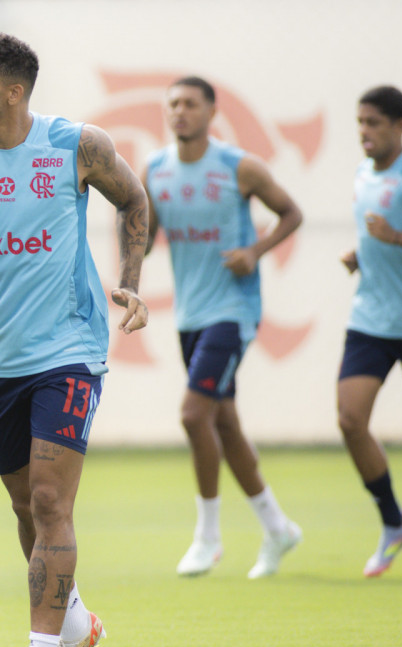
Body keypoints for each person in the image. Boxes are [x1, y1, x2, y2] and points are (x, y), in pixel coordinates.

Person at [0, 33, 148, 647]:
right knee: (28, 510)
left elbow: (134, 202)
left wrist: (129, 282)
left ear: (14, 92)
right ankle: (77, 623)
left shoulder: (74, 145)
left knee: (52, 504)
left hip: (68, 352)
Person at [142, 77, 304, 579]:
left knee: (194, 416)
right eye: (173, 104)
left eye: (190, 103)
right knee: (225, 424)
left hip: (232, 312)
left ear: (212, 111)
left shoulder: (240, 167)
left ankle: (208, 538)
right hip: (189, 315)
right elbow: (145, 237)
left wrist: (254, 252)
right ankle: (278, 527)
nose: (180, 111)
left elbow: (291, 213)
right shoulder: (156, 171)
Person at [337, 86, 402, 577]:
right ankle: (394, 521)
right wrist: (362, 254)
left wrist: (395, 238)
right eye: (360, 122)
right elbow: (373, 232)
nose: (364, 132)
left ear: (400, 125)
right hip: (370, 319)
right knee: (351, 419)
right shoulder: (362, 173)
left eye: (374, 122)